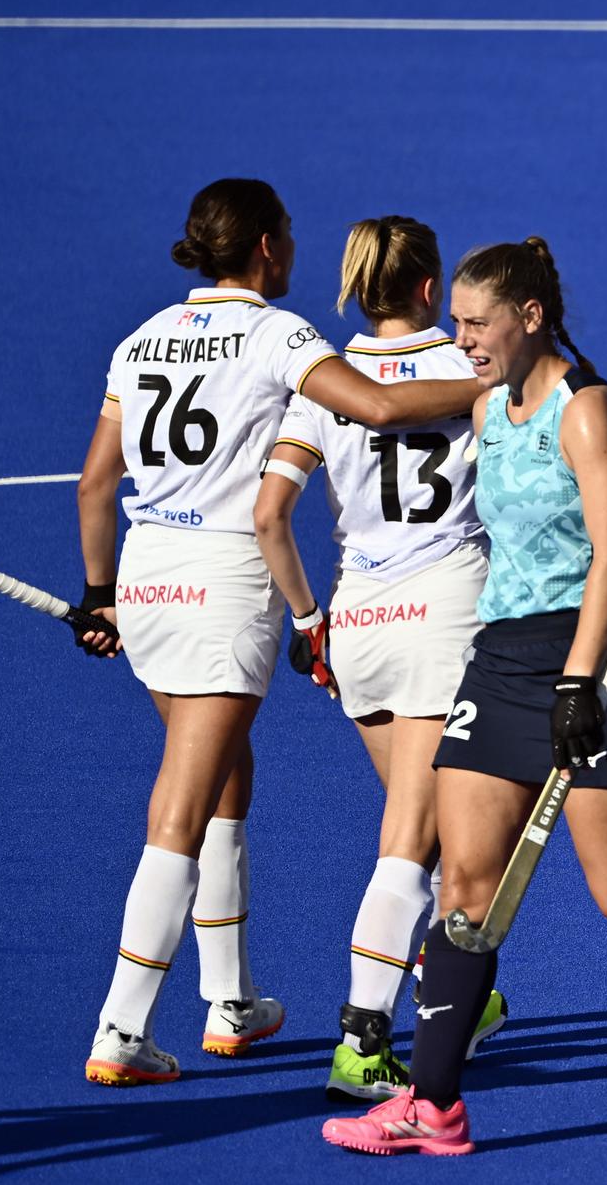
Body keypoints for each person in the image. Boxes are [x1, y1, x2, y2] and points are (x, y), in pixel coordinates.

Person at [321, 237, 607, 1155]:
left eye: (475, 321)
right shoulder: (488, 402)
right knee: (464, 887)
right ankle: (434, 1102)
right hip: (498, 663)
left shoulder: (589, 411)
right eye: (453, 319)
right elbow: (396, 413)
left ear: (530, 317)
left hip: (593, 666)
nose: (460, 338)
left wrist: (580, 679)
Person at [77, 179, 481, 1084]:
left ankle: (231, 1000)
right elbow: (375, 406)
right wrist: (497, 383)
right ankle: (121, 1026)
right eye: (287, 234)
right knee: (181, 803)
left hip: (147, 576)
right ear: (265, 246)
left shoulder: (137, 340)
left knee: (225, 773)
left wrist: (98, 596)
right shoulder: (281, 335)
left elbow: (95, 486)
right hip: (227, 587)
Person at [251, 216, 506, 1102]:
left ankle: (459, 999)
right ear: (434, 290)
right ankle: (363, 1037)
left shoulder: (326, 385)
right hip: (447, 617)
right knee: (411, 842)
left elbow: (270, 517)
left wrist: (309, 621)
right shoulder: (475, 366)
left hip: (358, 620)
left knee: (434, 839)